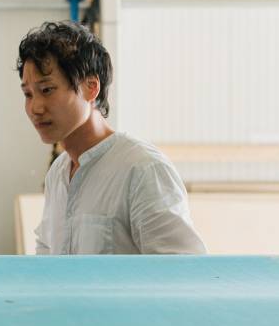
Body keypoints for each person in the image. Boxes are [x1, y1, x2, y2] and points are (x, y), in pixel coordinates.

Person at [18, 20, 205, 254]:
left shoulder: (142, 169)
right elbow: (47, 255)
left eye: (47, 90)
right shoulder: (58, 174)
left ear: (91, 87)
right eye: (28, 94)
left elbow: (182, 271)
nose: (35, 107)